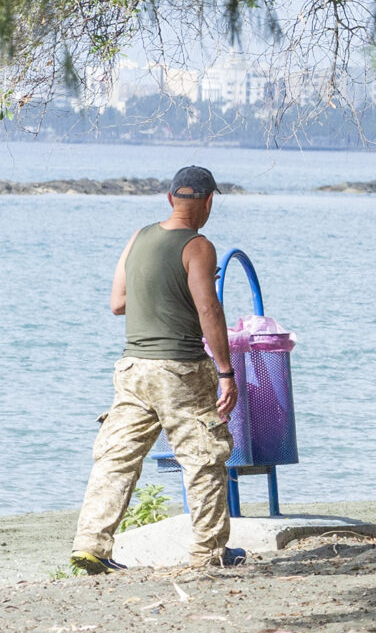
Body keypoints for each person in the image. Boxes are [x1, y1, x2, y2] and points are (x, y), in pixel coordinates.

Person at [71, 166, 245, 573]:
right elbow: (208, 309)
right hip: (180, 369)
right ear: (208, 202)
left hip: (132, 368)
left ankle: (90, 545)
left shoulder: (140, 237)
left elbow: (118, 302)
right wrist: (226, 370)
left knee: (117, 457)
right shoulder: (198, 246)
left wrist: (169, 289)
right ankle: (210, 553)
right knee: (204, 456)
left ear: (170, 199)